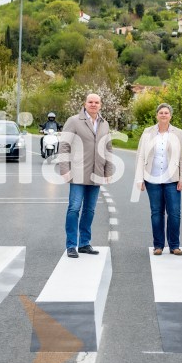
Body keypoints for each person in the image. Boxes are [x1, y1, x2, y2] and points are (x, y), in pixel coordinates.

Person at [58, 94, 114, 258]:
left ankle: (84, 243)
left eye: (96, 102)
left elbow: (108, 148)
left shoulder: (104, 124)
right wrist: (64, 169)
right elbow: (64, 146)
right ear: (85, 104)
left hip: (97, 173)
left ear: (100, 105)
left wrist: (108, 171)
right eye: (90, 102)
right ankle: (71, 245)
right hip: (77, 173)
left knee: (90, 210)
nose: (93, 105)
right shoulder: (74, 121)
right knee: (74, 208)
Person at [135, 103, 182, 255]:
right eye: (161, 113)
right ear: (157, 115)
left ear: (170, 116)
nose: (164, 115)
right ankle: (158, 245)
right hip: (152, 179)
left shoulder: (178, 133)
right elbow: (140, 156)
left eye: (166, 113)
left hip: (172, 179)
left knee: (174, 213)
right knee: (156, 213)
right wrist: (139, 179)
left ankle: (174, 245)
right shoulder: (147, 132)